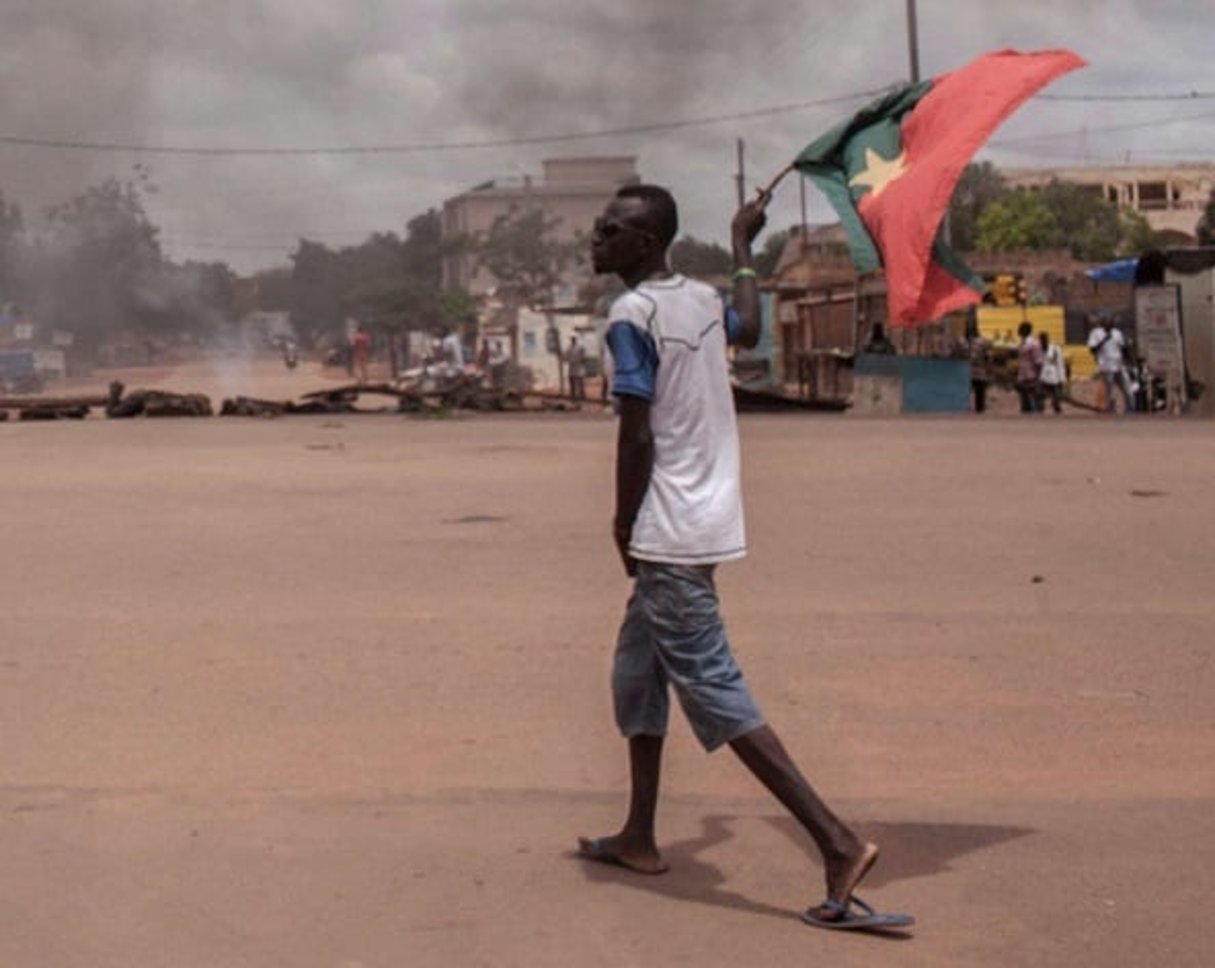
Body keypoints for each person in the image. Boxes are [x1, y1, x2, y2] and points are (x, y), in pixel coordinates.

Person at [577, 183, 911, 932]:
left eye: (612, 230)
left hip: (667, 529)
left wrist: (622, 523)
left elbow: (635, 435)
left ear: (645, 244)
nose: (596, 238)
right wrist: (741, 245)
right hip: (705, 518)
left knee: (713, 688)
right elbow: (750, 324)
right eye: (599, 227)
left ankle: (837, 842)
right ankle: (637, 834)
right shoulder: (695, 297)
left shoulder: (631, 315)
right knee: (638, 672)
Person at [1086, 316, 1135, 413]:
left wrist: (1129, 360)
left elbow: (1123, 348)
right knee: (1109, 391)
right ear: (1103, 323)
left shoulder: (1117, 333)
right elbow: (1092, 349)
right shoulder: (1096, 333)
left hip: (1119, 364)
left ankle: (1130, 410)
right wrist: (1104, 340)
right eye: (1109, 323)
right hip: (1106, 366)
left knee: (1127, 389)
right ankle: (1110, 410)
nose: (1111, 325)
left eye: (1112, 323)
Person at [1015, 321, 1043, 413]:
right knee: (1024, 401)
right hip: (1023, 375)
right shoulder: (1023, 343)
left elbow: (1038, 361)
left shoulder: (1033, 344)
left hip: (1032, 375)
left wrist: (1038, 376)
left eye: (1020, 329)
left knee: (1033, 400)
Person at [1037, 332, 1066, 414]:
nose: (1042, 342)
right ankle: (1039, 411)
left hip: (1054, 376)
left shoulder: (1054, 349)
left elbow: (1060, 364)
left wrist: (1062, 379)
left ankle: (1057, 411)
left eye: (1043, 339)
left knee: (1056, 398)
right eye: (1041, 340)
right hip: (1043, 376)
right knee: (1039, 396)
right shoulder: (1039, 349)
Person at [566, 335, 587, 401]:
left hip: (579, 368)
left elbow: (584, 357)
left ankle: (582, 396)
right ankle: (573, 397)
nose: (573, 340)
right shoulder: (569, 349)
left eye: (574, 339)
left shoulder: (580, 348)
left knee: (580, 383)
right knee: (573, 384)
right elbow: (566, 358)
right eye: (572, 339)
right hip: (572, 368)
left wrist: (582, 360)